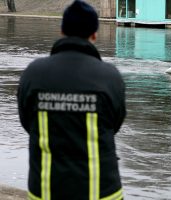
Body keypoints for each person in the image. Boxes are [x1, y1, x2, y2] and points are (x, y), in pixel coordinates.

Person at [17, 1, 126, 200]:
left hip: (46, 190)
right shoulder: (110, 77)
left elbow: (27, 122)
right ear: (94, 34)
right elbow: (114, 124)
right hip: (101, 192)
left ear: (61, 31)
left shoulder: (33, 73)